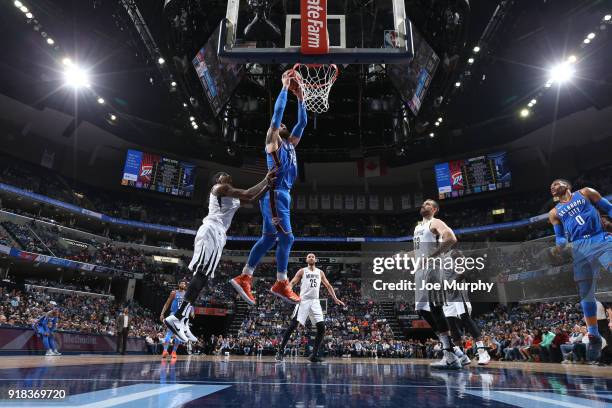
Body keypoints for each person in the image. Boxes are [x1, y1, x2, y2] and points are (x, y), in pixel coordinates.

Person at [164, 170, 275, 341]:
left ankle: (183, 320)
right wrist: (266, 179)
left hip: (218, 234)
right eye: (223, 175)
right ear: (217, 180)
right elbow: (247, 192)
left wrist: (268, 186)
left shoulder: (229, 193)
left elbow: (251, 198)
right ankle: (177, 317)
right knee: (202, 273)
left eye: (228, 175)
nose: (227, 175)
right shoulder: (219, 188)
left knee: (203, 275)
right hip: (212, 230)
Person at [231, 70, 308, 306]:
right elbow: (276, 116)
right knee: (288, 238)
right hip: (275, 194)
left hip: (282, 195)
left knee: (267, 239)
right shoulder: (272, 140)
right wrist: (285, 87)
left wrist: (301, 95)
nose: (283, 123)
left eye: (285, 124)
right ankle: (281, 282)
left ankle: (245, 277)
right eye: (280, 124)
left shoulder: (291, 143)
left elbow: (303, 121)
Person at [548, 179, 611, 361]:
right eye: (551, 186)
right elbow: (560, 237)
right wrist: (560, 245)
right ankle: (594, 335)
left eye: (556, 183)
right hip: (579, 246)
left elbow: (608, 207)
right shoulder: (553, 213)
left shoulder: (585, 192)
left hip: (599, 237)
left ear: (566, 185)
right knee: (585, 292)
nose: (552, 186)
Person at [413, 199, 466, 370]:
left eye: (428, 204)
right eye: (423, 203)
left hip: (433, 270)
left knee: (435, 308)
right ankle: (454, 350)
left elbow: (451, 238)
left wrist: (433, 256)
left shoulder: (435, 222)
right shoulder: (417, 227)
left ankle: (450, 355)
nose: (424, 205)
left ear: (435, 209)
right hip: (421, 271)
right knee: (422, 309)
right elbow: (418, 252)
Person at [275, 253, 344, 363]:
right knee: (293, 326)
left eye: (313, 256)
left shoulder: (320, 272)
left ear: (316, 260)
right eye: (309, 256)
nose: (311, 257)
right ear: (307, 260)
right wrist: (287, 291)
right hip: (303, 300)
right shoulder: (302, 271)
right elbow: (292, 282)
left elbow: (329, 286)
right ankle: (280, 351)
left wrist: (335, 299)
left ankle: (314, 355)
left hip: (315, 301)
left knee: (321, 328)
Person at [160, 281, 187, 359]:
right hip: (173, 314)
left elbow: (189, 305)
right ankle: (165, 351)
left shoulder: (186, 294)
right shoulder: (174, 292)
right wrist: (162, 313)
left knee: (178, 336)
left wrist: (191, 312)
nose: (183, 284)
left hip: (181, 317)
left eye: (184, 284)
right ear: (179, 285)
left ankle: (174, 352)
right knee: (169, 333)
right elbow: (167, 303)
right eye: (182, 283)